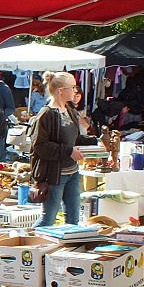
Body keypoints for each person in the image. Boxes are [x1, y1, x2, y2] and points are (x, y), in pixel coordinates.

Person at [30, 72, 98, 227]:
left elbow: (75, 139)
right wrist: (68, 151)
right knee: (48, 219)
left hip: (73, 172)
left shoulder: (70, 110)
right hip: (55, 175)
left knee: (73, 220)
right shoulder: (46, 114)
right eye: (72, 87)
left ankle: (68, 248)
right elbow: (39, 146)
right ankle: (28, 243)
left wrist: (96, 141)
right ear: (61, 90)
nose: (75, 91)